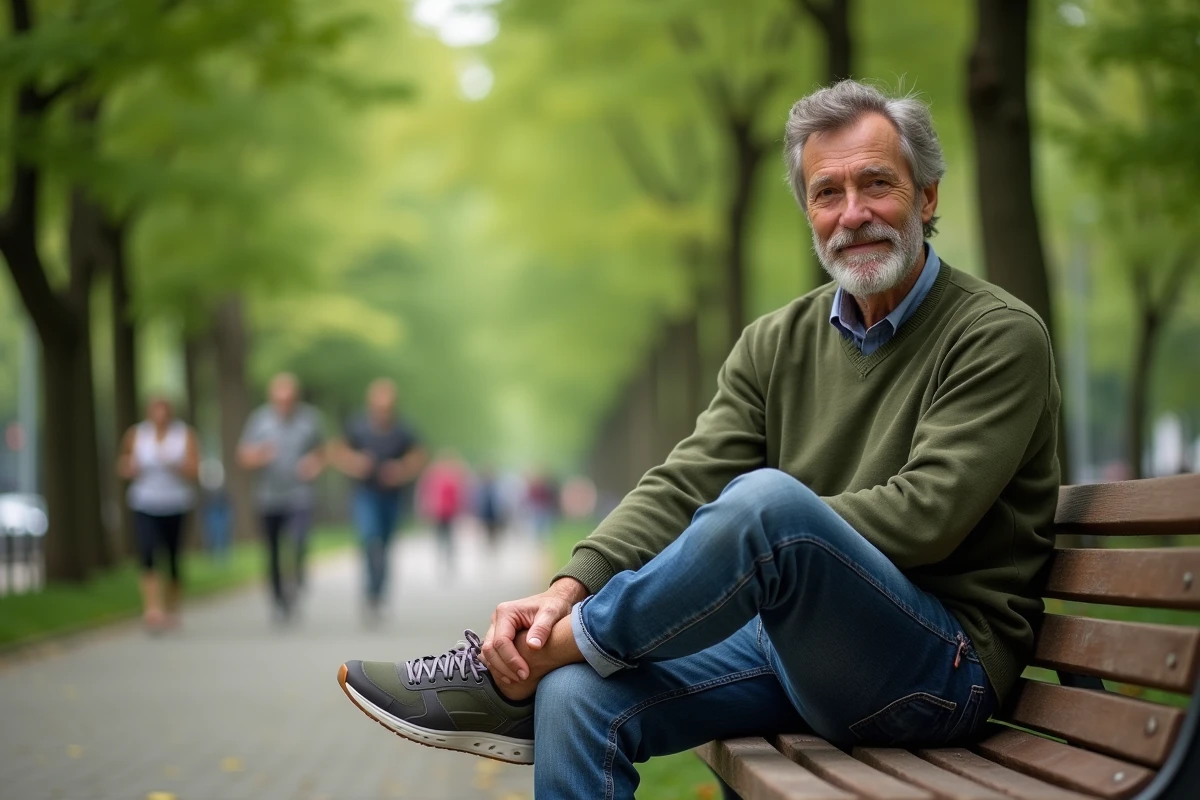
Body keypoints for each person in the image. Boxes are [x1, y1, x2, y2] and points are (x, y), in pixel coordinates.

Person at [336, 80, 1061, 798]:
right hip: (799, 652)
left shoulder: (996, 336)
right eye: (826, 192)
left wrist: (776, 531)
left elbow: (927, 514)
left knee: (766, 506)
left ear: (928, 196)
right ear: (806, 210)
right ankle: (553, 653)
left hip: (939, 672)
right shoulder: (775, 341)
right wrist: (565, 589)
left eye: (877, 184)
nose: (853, 214)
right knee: (573, 697)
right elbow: (684, 481)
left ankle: (518, 665)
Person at [330, 379, 426, 619]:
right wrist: (356, 463)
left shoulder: (403, 430)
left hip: (392, 497)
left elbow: (418, 457)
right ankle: (370, 591)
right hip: (366, 493)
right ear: (371, 404)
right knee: (368, 538)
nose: (383, 411)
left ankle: (379, 592)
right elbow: (337, 451)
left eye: (387, 407)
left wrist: (400, 470)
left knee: (384, 545)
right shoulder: (357, 426)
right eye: (378, 406)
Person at [238, 373, 324, 622]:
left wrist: (314, 463)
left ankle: (297, 580)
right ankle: (278, 598)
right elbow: (243, 455)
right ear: (272, 398)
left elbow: (322, 451)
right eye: (280, 399)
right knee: (273, 549)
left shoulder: (310, 419)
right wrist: (259, 456)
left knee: (298, 540)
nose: (285, 404)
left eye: (290, 399)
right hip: (268, 496)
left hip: (300, 494)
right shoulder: (259, 420)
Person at [117, 396, 200, 632]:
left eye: (164, 411)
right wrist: (130, 467)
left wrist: (177, 465)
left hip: (176, 503)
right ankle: (152, 609)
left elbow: (196, 469)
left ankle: (172, 607)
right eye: (155, 411)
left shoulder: (184, 435)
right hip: (145, 502)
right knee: (148, 553)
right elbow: (123, 463)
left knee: (173, 557)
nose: (160, 416)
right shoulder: (137, 434)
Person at [417, 452, 467, 574]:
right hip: (438, 512)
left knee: (449, 536)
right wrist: (425, 508)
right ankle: (442, 557)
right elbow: (425, 493)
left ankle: (449, 558)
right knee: (440, 536)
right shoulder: (433, 476)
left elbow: (460, 495)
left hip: (450, 512)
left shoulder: (453, 476)